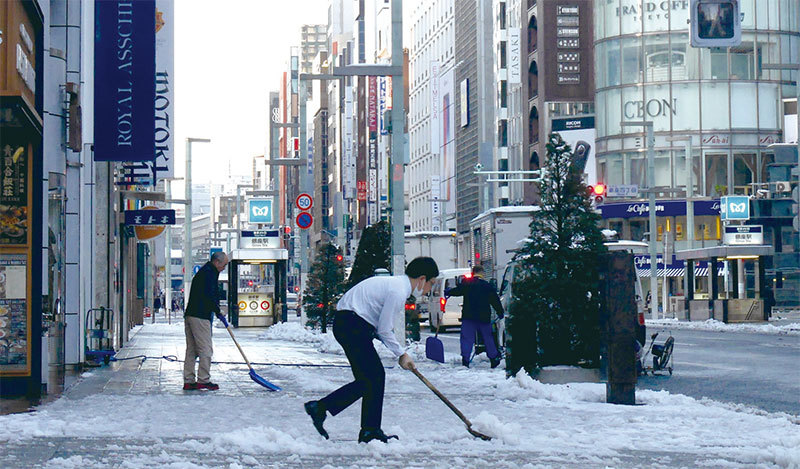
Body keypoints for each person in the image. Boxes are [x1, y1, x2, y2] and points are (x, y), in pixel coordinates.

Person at [304, 257, 439, 444]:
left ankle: (367, 429)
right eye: (431, 283)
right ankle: (327, 410)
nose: (428, 290)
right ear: (422, 278)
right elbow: (384, 329)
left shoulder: (395, 285)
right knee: (374, 377)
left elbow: (379, 327)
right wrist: (401, 354)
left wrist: (398, 352)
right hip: (352, 325)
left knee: (369, 379)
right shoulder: (398, 290)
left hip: (349, 323)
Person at [183, 251, 228, 391]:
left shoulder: (205, 272)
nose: (224, 268)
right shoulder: (209, 273)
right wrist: (218, 311)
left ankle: (189, 380)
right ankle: (203, 379)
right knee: (205, 349)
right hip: (200, 316)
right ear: (217, 262)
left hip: (191, 314)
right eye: (224, 265)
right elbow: (209, 295)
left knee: (192, 350)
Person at [445, 265, 504, 369]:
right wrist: (500, 312)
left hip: (469, 316)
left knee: (467, 338)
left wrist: (449, 291)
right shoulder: (487, 286)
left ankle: (466, 360)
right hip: (484, 317)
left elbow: (457, 291)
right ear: (482, 273)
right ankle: (493, 359)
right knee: (488, 338)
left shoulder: (467, 284)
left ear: (473, 273)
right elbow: (495, 300)